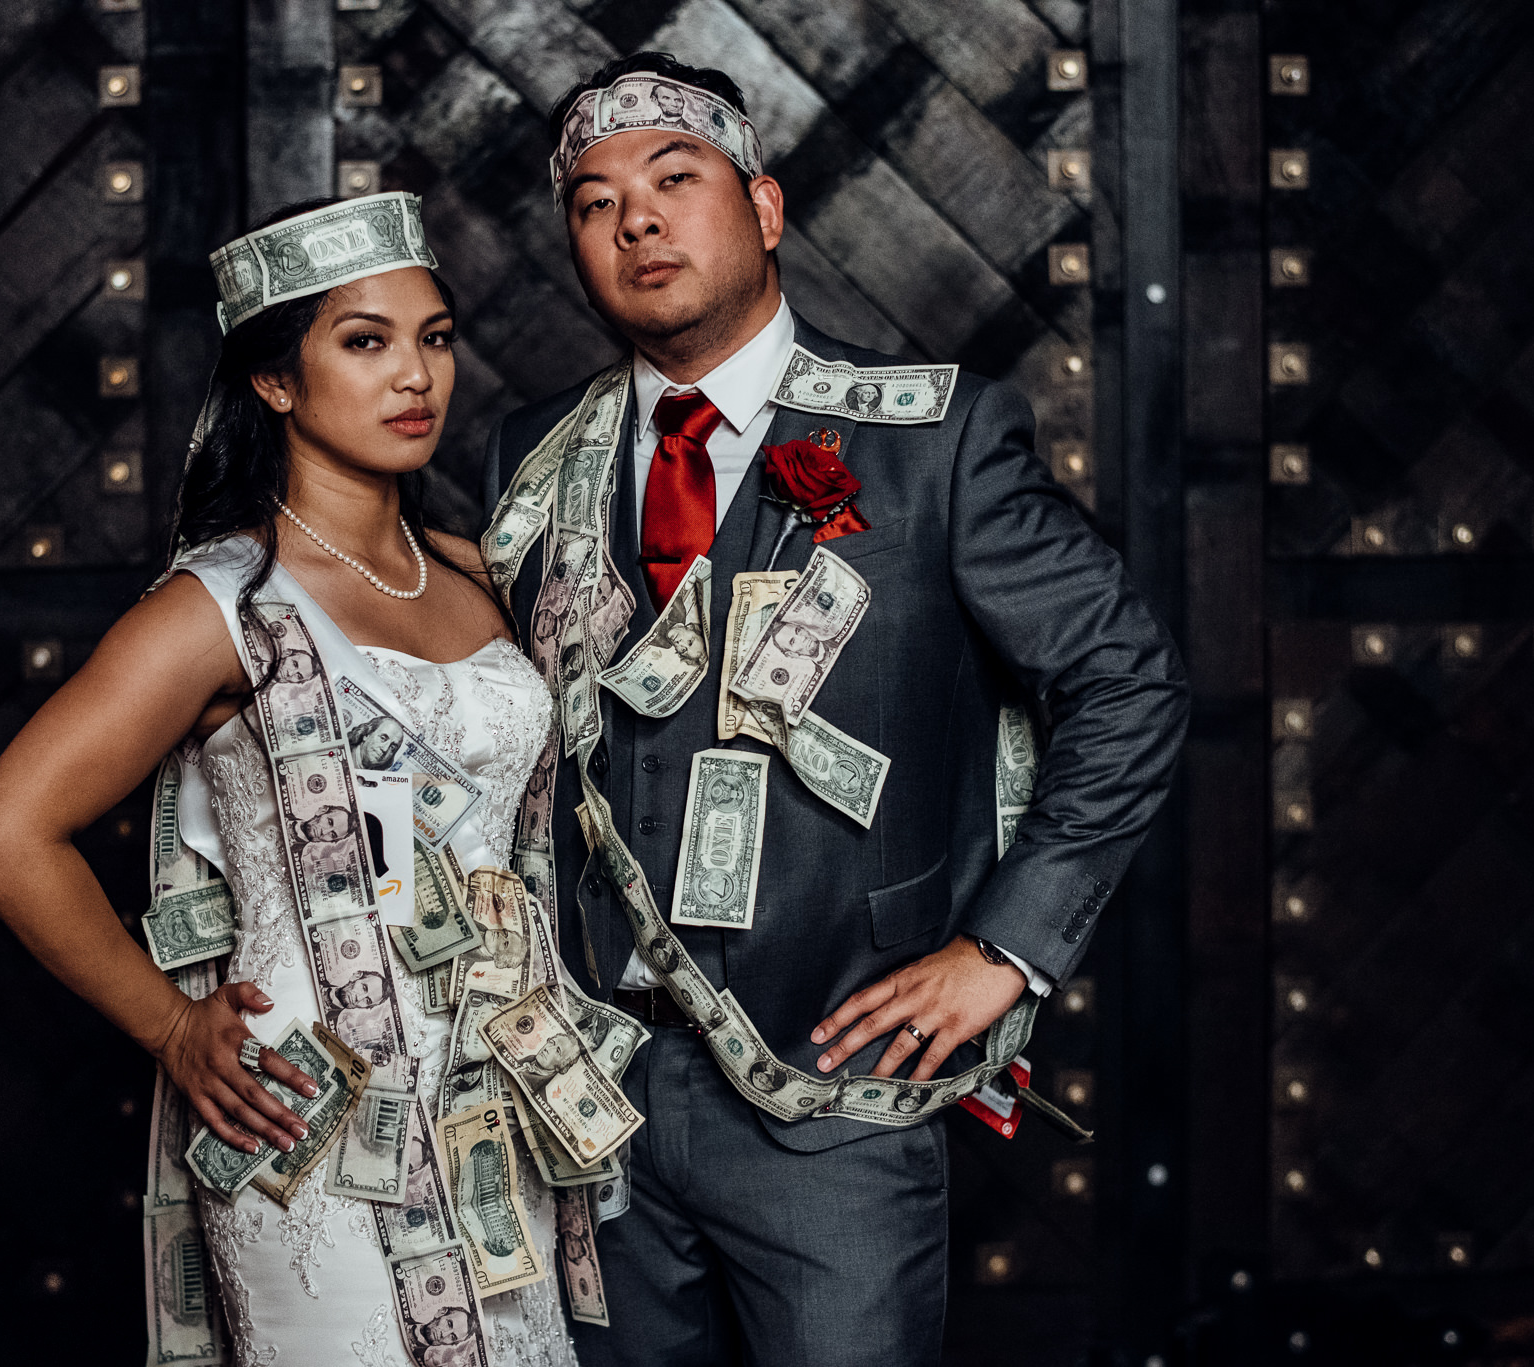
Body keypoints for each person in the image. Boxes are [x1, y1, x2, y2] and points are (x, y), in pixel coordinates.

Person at [482, 51, 1188, 1367]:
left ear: (764, 208)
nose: (635, 217)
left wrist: (1006, 946)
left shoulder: (935, 440)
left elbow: (1126, 680)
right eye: (594, 199)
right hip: (584, 1095)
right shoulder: (517, 459)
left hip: (834, 1107)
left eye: (673, 178)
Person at [0, 197, 574, 1364]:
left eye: (434, 337)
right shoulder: (219, 606)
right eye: (365, 340)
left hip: (498, 1100)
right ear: (275, 382)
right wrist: (172, 1026)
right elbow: (2, 834)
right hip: (314, 1117)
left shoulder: (468, 568)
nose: (415, 375)